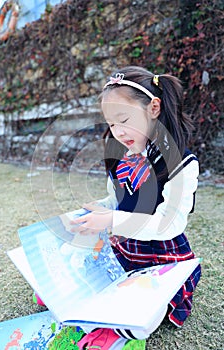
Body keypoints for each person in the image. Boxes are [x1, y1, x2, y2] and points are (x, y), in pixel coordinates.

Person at [70, 66, 202, 348]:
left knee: (144, 310)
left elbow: (171, 224)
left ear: (153, 108)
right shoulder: (119, 157)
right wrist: (100, 210)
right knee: (91, 284)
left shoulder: (182, 164)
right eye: (111, 124)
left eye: (124, 120)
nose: (118, 132)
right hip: (126, 251)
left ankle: (120, 332)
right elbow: (116, 202)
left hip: (164, 259)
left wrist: (112, 220)